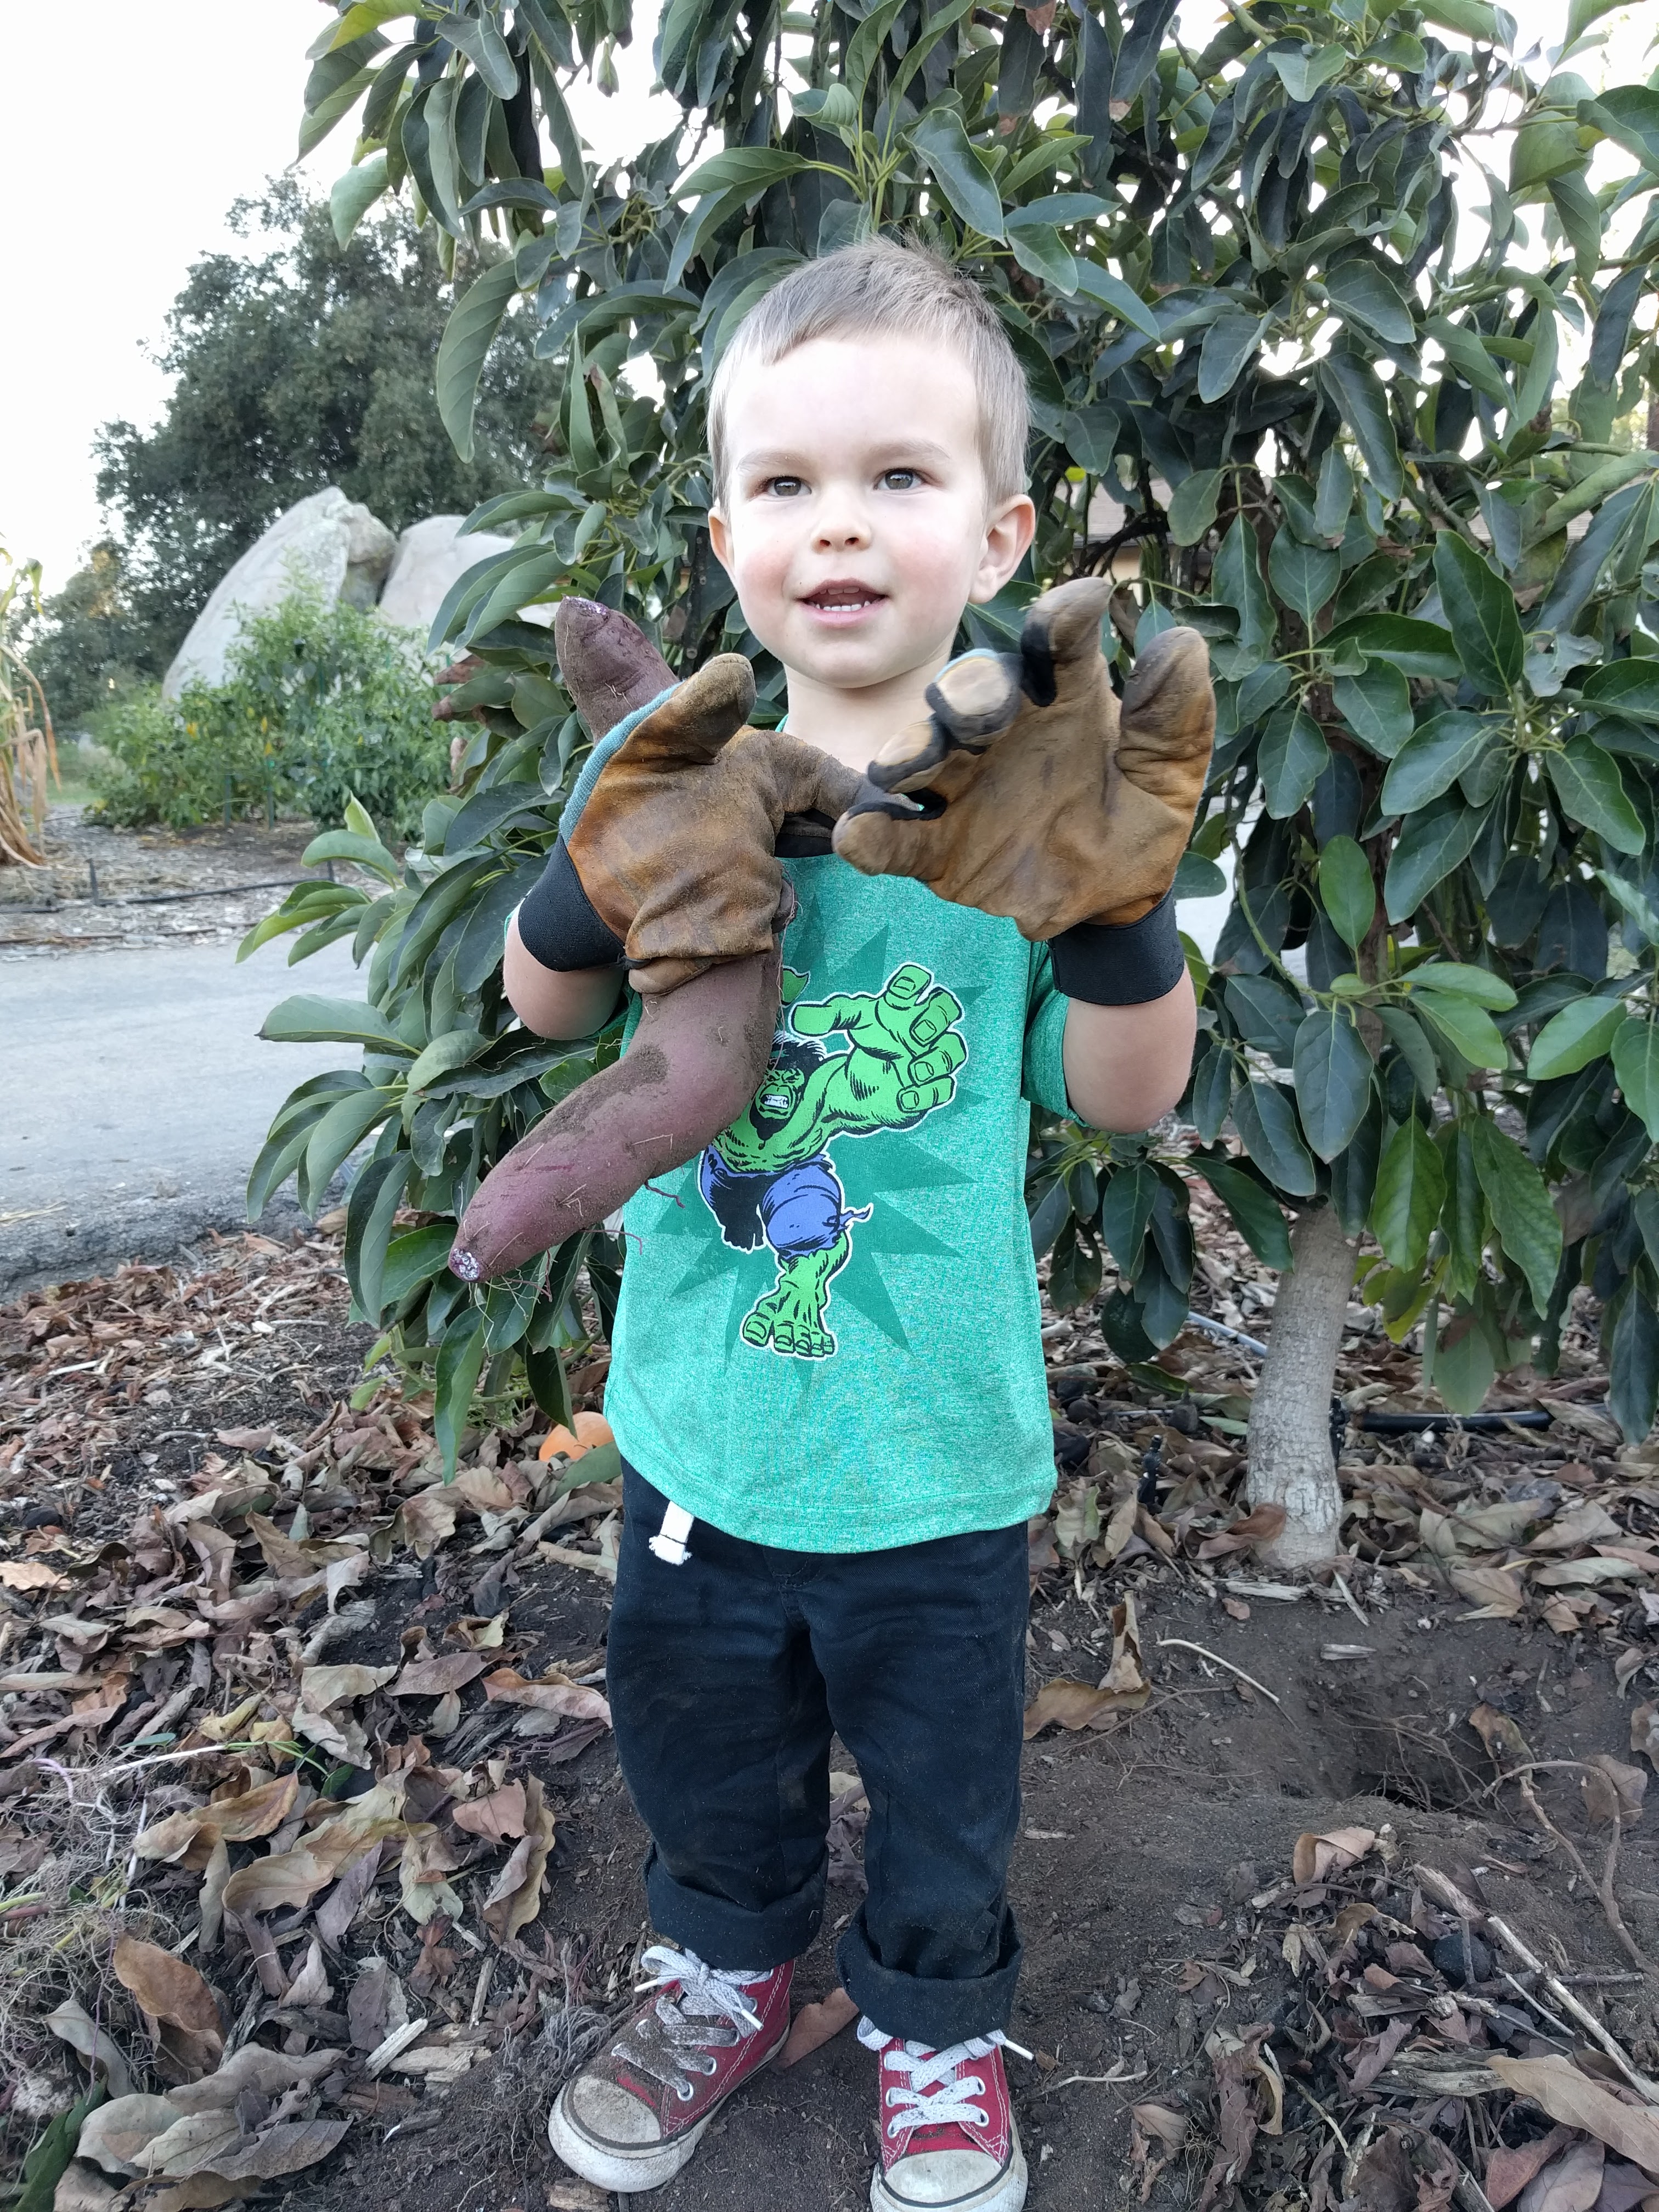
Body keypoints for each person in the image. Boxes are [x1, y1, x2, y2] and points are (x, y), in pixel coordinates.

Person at [503, 237, 1204, 2212]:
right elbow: (541, 1006)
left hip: (936, 1460)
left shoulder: (1042, 797)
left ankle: (933, 2030)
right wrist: (608, 850)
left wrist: (1116, 903)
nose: (842, 525)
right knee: (706, 1756)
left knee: (948, 1794)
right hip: (703, 1441)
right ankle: (723, 1976)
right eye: (792, 485)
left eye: (901, 478)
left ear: (999, 532)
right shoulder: (675, 759)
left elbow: (1128, 1099)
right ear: (727, 534)